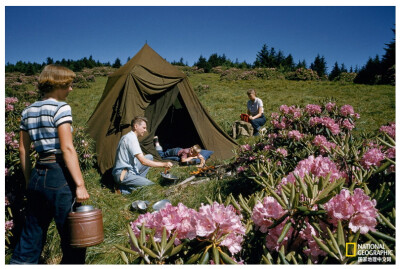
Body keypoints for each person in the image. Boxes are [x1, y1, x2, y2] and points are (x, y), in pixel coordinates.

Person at [11, 65, 90, 264]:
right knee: (72, 236)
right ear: (58, 84)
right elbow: (67, 148)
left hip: (38, 173)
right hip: (58, 174)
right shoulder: (61, 108)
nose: (71, 89)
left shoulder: (28, 110)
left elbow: (23, 150)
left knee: (31, 234)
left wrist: (31, 180)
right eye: (69, 85)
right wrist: (80, 184)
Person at [112, 116, 173, 194]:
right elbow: (143, 161)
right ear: (136, 126)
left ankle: (137, 181)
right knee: (151, 187)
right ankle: (122, 190)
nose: (145, 130)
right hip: (123, 174)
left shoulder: (129, 136)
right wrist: (163, 164)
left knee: (150, 157)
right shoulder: (131, 139)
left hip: (128, 169)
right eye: (144, 128)